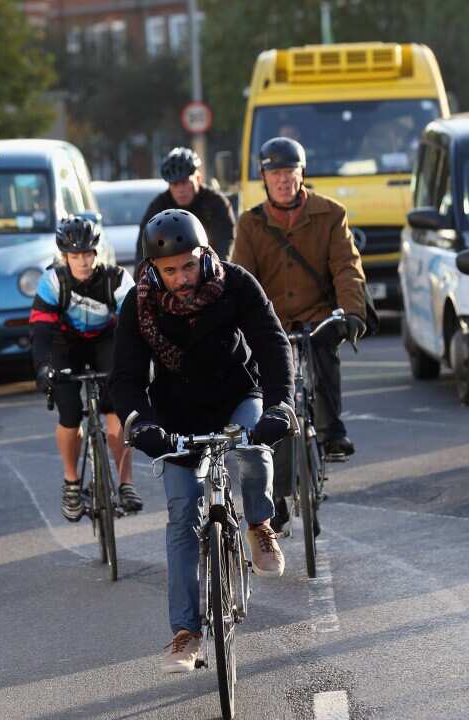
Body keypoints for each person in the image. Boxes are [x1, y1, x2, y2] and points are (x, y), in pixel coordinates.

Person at [110, 209, 293, 674]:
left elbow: (273, 345)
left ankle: (258, 525)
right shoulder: (139, 304)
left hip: (238, 395)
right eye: (169, 271)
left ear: (205, 255)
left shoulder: (236, 284)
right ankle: (186, 634)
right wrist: (141, 423)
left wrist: (280, 406)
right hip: (176, 414)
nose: (182, 278)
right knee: (183, 513)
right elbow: (126, 377)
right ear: (154, 269)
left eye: (189, 266)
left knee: (253, 449)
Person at [231, 137, 368, 468]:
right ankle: (273, 478)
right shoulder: (251, 223)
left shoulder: (331, 213)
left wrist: (351, 312)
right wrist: (237, 321)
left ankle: (332, 431)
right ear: (264, 178)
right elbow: (241, 278)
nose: (283, 180)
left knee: (323, 356)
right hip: (272, 321)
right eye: (274, 173)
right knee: (269, 385)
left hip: (317, 315)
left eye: (289, 171)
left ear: (302, 173)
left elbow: (346, 268)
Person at [30, 217, 140, 520]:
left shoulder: (116, 279)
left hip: (105, 340)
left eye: (87, 254)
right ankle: (72, 481)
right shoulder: (53, 282)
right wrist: (43, 367)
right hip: (64, 344)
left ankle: (125, 482)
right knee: (68, 410)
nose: (82, 261)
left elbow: (133, 326)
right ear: (64, 257)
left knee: (117, 407)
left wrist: (137, 365)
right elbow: (40, 332)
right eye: (75, 256)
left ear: (96, 253)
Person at [135, 147, 236, 262]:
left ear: (198, 179)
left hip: (209, 266)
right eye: (175, 184)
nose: (180, 190)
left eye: (184, 182)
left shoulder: (217, 203)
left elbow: (226, 244)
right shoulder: (158, 207)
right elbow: (143, 249)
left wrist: (216, 271)